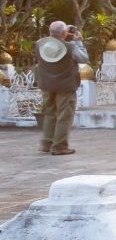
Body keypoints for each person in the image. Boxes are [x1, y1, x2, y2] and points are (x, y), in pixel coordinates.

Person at [35, 20, 89, 155]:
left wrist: (65, 32)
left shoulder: (40, 44)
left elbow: (53, 40)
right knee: (64, 116)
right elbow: (83, 59)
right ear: (64, 33)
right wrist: (78, 42)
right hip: (65, 86)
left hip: (47, 85)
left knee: (50, 114)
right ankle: (60, 146)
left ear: (50, 32)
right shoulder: (70, 47)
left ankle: (47, 143)